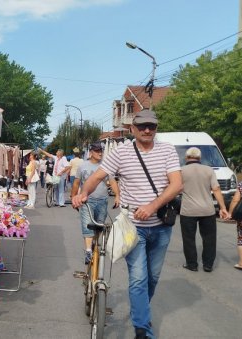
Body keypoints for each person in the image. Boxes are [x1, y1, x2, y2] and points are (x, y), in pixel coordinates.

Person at [72, 109, 183, 339]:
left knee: (152, 278)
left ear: (156, 128)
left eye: (151, 126)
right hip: (133, 227)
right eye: (142, 126)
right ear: (132, 129)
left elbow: (176, 185)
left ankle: (139, 308)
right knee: (139, 277)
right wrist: (82, 194)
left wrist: (152, 206)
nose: (146, 130)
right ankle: (143, 330)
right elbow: (96, 177)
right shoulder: (121, 153)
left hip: (161, 225)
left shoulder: (167, 150)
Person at [180, 147, 230, 272]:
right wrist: (223, 208)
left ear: (186, 158)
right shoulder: (209, 170)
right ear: (200, 157)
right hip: (207, 210)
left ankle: (192, 264)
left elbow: (176, 188)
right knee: (209, 238)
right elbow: (216, 189)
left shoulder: (181, 171)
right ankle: (208, 265)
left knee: (189, 239)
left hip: (188, 211)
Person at [71, 141, 120, 264]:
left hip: (102, 201)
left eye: (101, 151)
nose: (100, 153)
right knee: (88, 225)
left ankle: (94, 245)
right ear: (91, 152)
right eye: (97, 151)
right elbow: (76, 183)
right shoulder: (83, 166)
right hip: (87, 201)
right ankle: (88, 251)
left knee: (99, 227)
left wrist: (118, 195)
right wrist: (73, 197)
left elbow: (113, 182)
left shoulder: (105, 166)